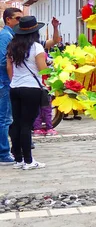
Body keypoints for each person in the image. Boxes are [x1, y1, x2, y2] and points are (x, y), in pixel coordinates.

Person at [7, 16, 48, 170]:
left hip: (15, 87)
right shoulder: (37, 47)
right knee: (26, 125)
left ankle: (18, 159)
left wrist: (14, 81)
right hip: (31, 88)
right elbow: (42, 69)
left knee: (16, 123)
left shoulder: (12, 46)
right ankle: (29, 161)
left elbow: (9, 68)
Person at [0, 7, 22, 165]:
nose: (20, 22)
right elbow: (2, 60)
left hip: (7, 81)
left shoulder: (11, 36)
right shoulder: (5, 36)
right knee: (4, 118)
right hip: (4, 82)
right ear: (8, 19)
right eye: (18, 18)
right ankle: (3, 153)